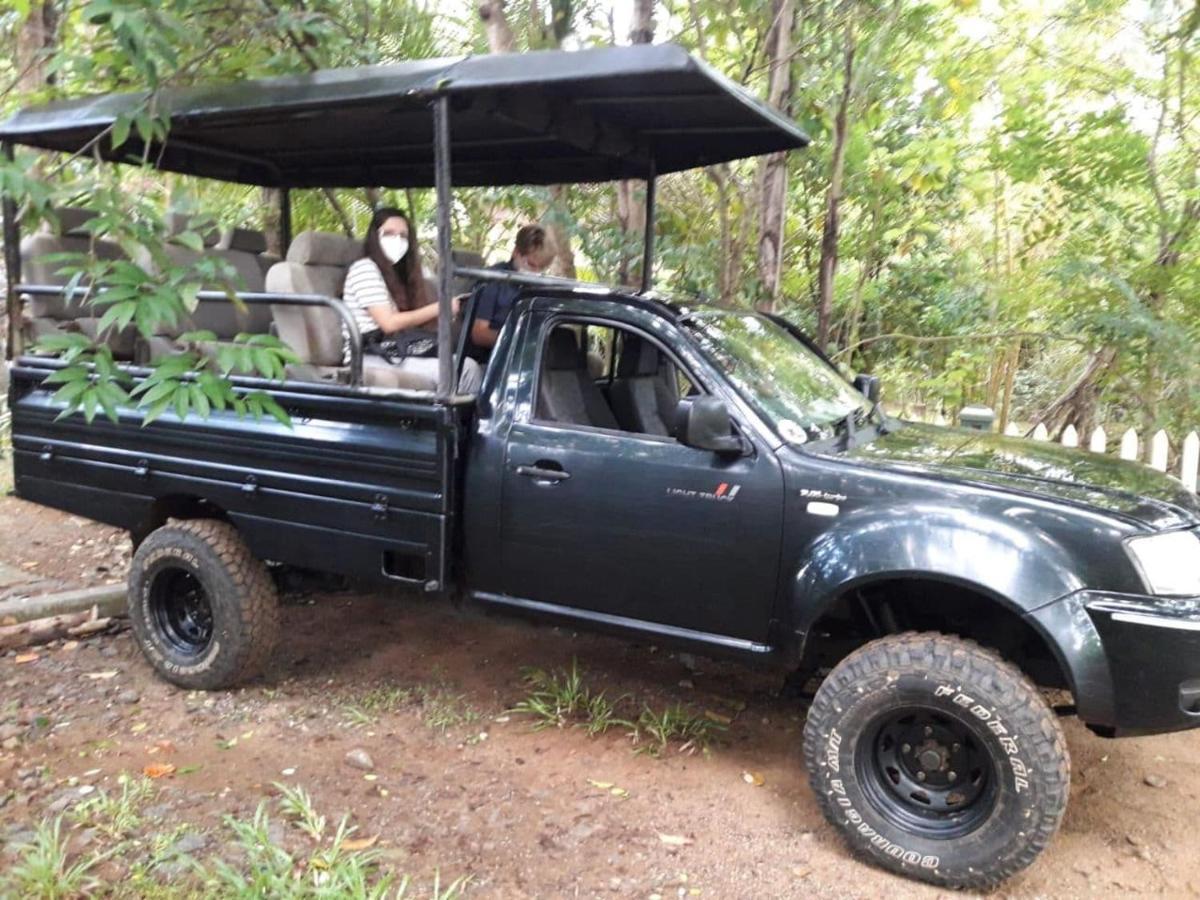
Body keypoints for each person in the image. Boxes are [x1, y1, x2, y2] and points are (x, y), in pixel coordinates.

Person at [343, 207, 481, 393]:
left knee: (464, 360)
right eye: (389, 234)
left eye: (403, 236)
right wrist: (440, 308)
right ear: (375, 237)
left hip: (393, 349)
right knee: (465, 369)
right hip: (368, 354)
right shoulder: (365, 269)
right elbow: (389, 323)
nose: (397, 240)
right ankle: (458, 422)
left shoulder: (396, 274)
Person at [469, 224, 555, 356]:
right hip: (488, 360)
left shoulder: (541, 288)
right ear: (516, 252)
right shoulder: (493, 280)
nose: (536, 272)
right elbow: (479, 334)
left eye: (542, 268)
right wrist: (520, 341)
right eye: (532, 265)